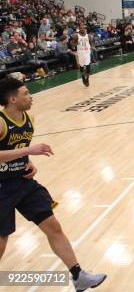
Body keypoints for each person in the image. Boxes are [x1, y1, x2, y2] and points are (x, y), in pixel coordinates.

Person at [0, 78, 106, 290]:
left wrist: (27, 162)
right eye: (26, 93)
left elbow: (18, 147)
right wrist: (28, 152)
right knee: (1, 241)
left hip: (23, 182)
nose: (31, 97)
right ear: (12, 99)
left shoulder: (29, 118)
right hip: (2, 188)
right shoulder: (1, 122)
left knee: (53, 227)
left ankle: (78, 276)